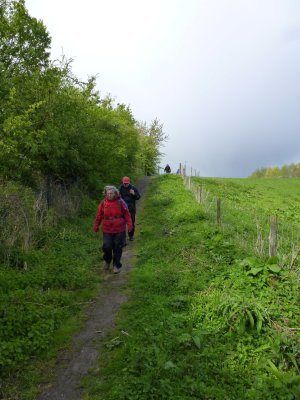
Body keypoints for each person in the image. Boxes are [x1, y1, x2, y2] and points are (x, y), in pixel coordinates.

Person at [93, 186, 133, 274]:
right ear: (106, 194)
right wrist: (96, 225)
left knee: (117, 248)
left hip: (119, 229)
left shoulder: (120, 202)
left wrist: (130, 225)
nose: (110, 195)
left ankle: (116, 265)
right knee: (107, 246)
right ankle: (107, 260)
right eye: (108, 194)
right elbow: (99, 215)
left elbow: (127, 214)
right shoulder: (103, 203)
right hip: (107, 229)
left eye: (111, 193)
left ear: (115, 193)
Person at [119, 176, 140, 241]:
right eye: (124, 183)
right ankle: (123, 239)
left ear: (129, 182)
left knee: (131, 222)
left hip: (131, 209)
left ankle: (131, 236)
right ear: (122, 182)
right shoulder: (120, 188)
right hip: (122, 209)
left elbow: (138, 197)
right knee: (122, 224)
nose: (125, 184)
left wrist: (133, 194)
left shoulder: (133, 188)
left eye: (126, 183)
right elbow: (116, 198)